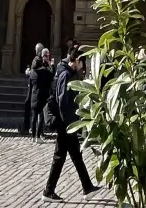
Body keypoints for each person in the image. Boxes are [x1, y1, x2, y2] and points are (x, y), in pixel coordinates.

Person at [43, 51, 99, 201]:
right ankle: (49, 191)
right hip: (65, 123)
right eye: (82, 63)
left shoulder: (66, 72)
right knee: (62, 156)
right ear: (76, 61)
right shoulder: (65, 75)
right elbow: (62, 101)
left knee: (72, 155)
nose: (82, 67)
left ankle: (86, 187)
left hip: (67, 123)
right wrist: (69, 123)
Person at [19, 42, 46, 134]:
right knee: (30, 106)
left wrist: (29, 72)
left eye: (37, 50)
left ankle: (34, 129)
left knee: (36, 109)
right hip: (32, 86)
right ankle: (29, 127)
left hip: (36, 88)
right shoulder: (37, 59)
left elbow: (37, 72)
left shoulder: (41, 60)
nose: (36, 51)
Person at [28, 52, 55, 140]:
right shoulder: (44, 72)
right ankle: (38, 136)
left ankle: (33, 136)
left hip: (34, 95)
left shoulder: (32, 72)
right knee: (41, 117)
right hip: (42, 96)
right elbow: (52, 75)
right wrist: (52, 65)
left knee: (34, 116)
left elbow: (30, 83)